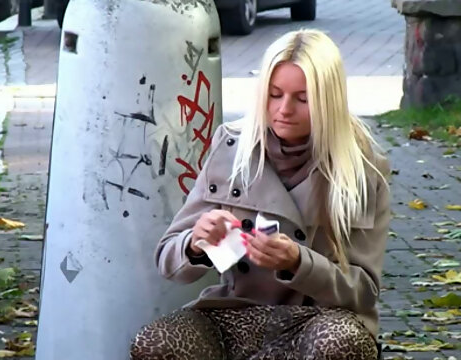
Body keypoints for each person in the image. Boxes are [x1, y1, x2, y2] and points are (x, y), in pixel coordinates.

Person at [130, 29, 390, 360]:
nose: (284, 109)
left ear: (328, 100)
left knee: (339, 342)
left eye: (302, 98)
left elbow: (363, 292)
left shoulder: (362, 168)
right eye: (274, 94)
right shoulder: (231, 147)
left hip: (317, 319)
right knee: (156, 342)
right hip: (234, 313)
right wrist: (198, 244)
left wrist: (298, 262)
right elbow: (169, 260)